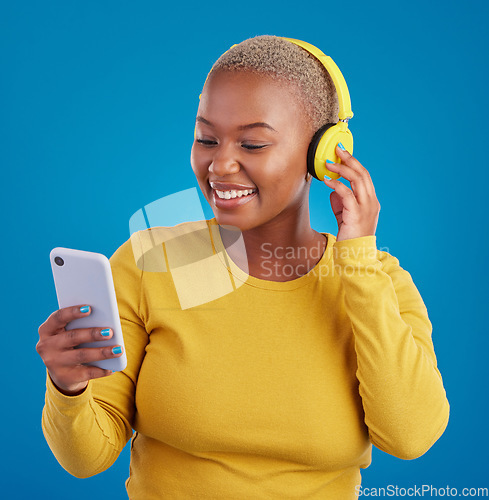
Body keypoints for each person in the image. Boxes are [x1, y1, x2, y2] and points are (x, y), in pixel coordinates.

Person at [37, 35, 449, 499]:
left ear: (325, 155)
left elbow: (411, 437)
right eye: (206, 139)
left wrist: (357, 261)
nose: (220, 164)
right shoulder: (147, 262)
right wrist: (67, 388)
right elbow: (88, 459)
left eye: (252, 144)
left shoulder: (380, 281)